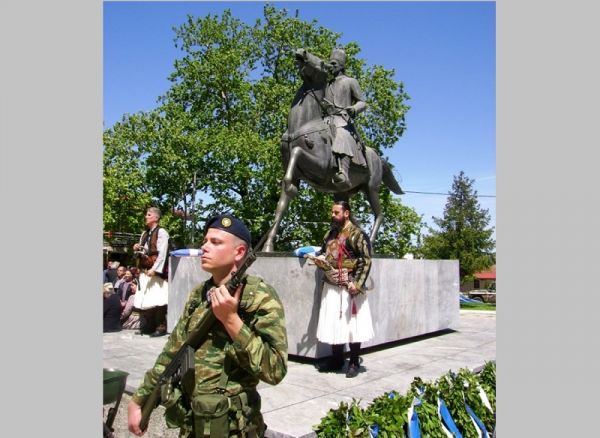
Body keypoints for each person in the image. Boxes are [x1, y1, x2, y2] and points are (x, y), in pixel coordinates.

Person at [128, 213, 288, 437]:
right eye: (205, 241)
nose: (205, 247)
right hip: (193, 423)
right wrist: (140, 399)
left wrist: (231, 320)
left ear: (239, 252)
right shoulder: (199, 294)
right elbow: (174, 352)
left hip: (234, 429)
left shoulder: (259, 296)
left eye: (215, 242)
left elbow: (275, 369)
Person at [314, 200, 374, 378]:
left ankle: (354, 362)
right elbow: (324, 253)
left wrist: (357, 284)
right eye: (332, 212)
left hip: (350, 286)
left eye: (336, 212)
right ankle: (337, 359)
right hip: (332, 285)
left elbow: (365, 260)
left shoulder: (358, 234)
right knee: (335, 323)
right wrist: (317, 258)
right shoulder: (330, 233)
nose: (332, 215)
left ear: (346, 213)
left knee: (352, 326)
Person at [324, 48, 368, 186]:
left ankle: (343, 172)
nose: (332, 66)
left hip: (342, 120)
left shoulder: (350, 81)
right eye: (330, 64)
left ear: (342, 66)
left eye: (334, 63)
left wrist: (354, 108)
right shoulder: (327, 85)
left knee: (342, 134)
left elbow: (363, 102)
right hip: (326, 119)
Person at [133, 207, 170, 337]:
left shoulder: (162, 232)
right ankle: (148, 326)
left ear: (156, 217)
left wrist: (155, 270)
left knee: (158, 298)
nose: (146, 217)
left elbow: (162, 253)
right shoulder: (144, 233)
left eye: (148, 215)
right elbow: (146, 252)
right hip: (145, 270)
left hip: (155, 271)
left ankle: (161, 327)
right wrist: (138, 248)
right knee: (146, 298)